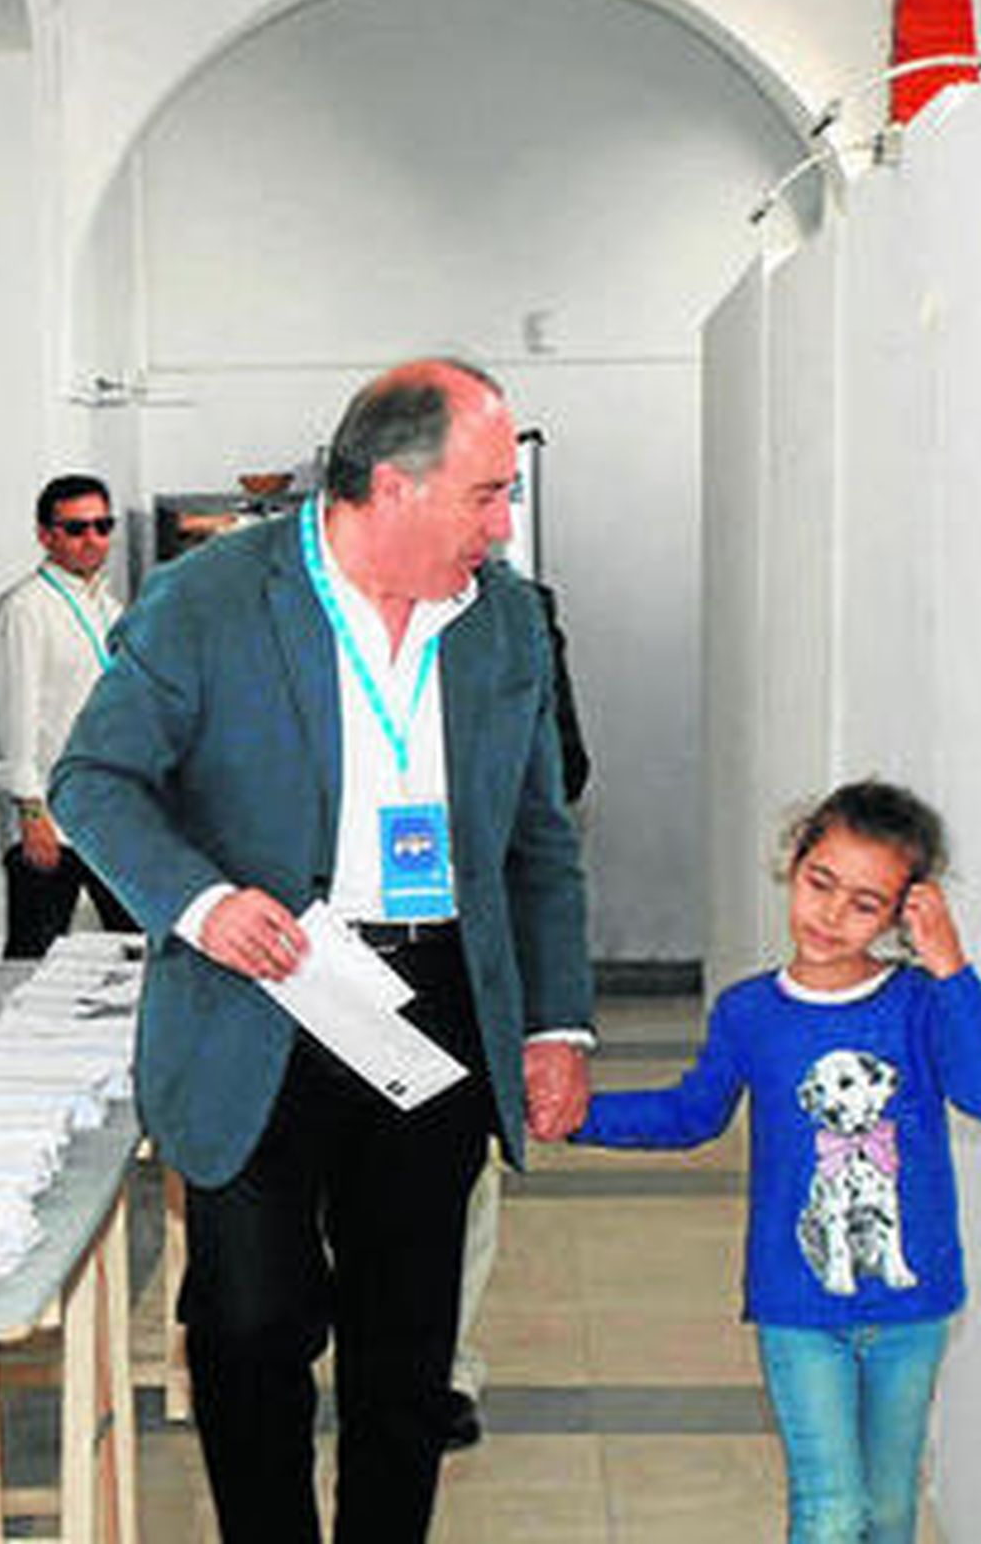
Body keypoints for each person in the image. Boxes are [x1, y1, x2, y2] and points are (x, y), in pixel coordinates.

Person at [51, 359, 594, 1543]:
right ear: (392, 489)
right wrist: (199, 902)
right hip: (263, 996)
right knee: (250, 1328)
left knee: (408, 1350)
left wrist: (555, 1022)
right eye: (485, 493)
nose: (502, 523)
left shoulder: (503, 620)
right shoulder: (210, 599)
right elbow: (91, 780)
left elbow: (539, 839)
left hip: (434, 1008)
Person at [571, 780, 981, 1544]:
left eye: (866, 903)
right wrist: (572, 1115)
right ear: (794, 860)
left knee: (888, 1509)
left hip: (914, 1306)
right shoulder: (750, 1011)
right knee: (831, 1509)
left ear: (905, 911)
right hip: (797, 1305)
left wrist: (950, 965)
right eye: (821, 883)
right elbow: (689, 1115)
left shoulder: (918, 1002)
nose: (832, 915)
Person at [446, 576, 591, 1450]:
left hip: (473, 940)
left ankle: (443, 1366)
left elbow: (565, 769)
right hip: (322, 952)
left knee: (465, 1169)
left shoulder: (521, 612)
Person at [0, 473, 137, 958]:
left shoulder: (109, 609)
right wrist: (30, 812)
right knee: (33, 960)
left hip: (109, 818)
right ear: (46, 535)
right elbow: (14, 716)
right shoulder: (26, 608)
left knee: (138, 952)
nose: (92, 539)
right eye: (75, 529)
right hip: (49, 821)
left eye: (101, 526)